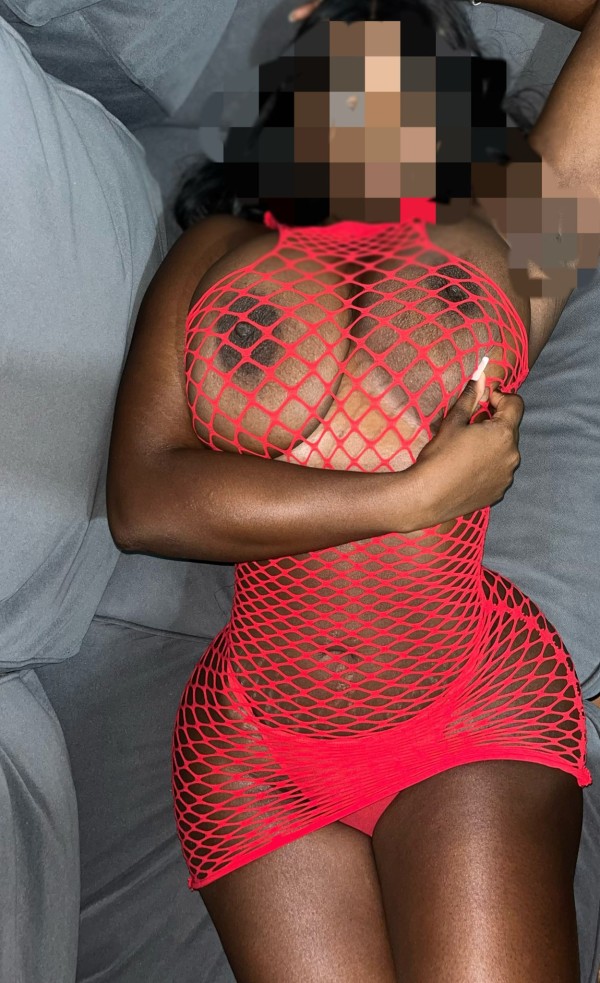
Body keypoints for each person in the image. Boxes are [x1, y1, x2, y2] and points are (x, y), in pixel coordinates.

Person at [106, 0, 600, 979]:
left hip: (472, 706)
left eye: (413, 50)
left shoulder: (518, 234)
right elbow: (144, 499)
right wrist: (412, 497)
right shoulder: (215, 248)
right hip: (253, 751)